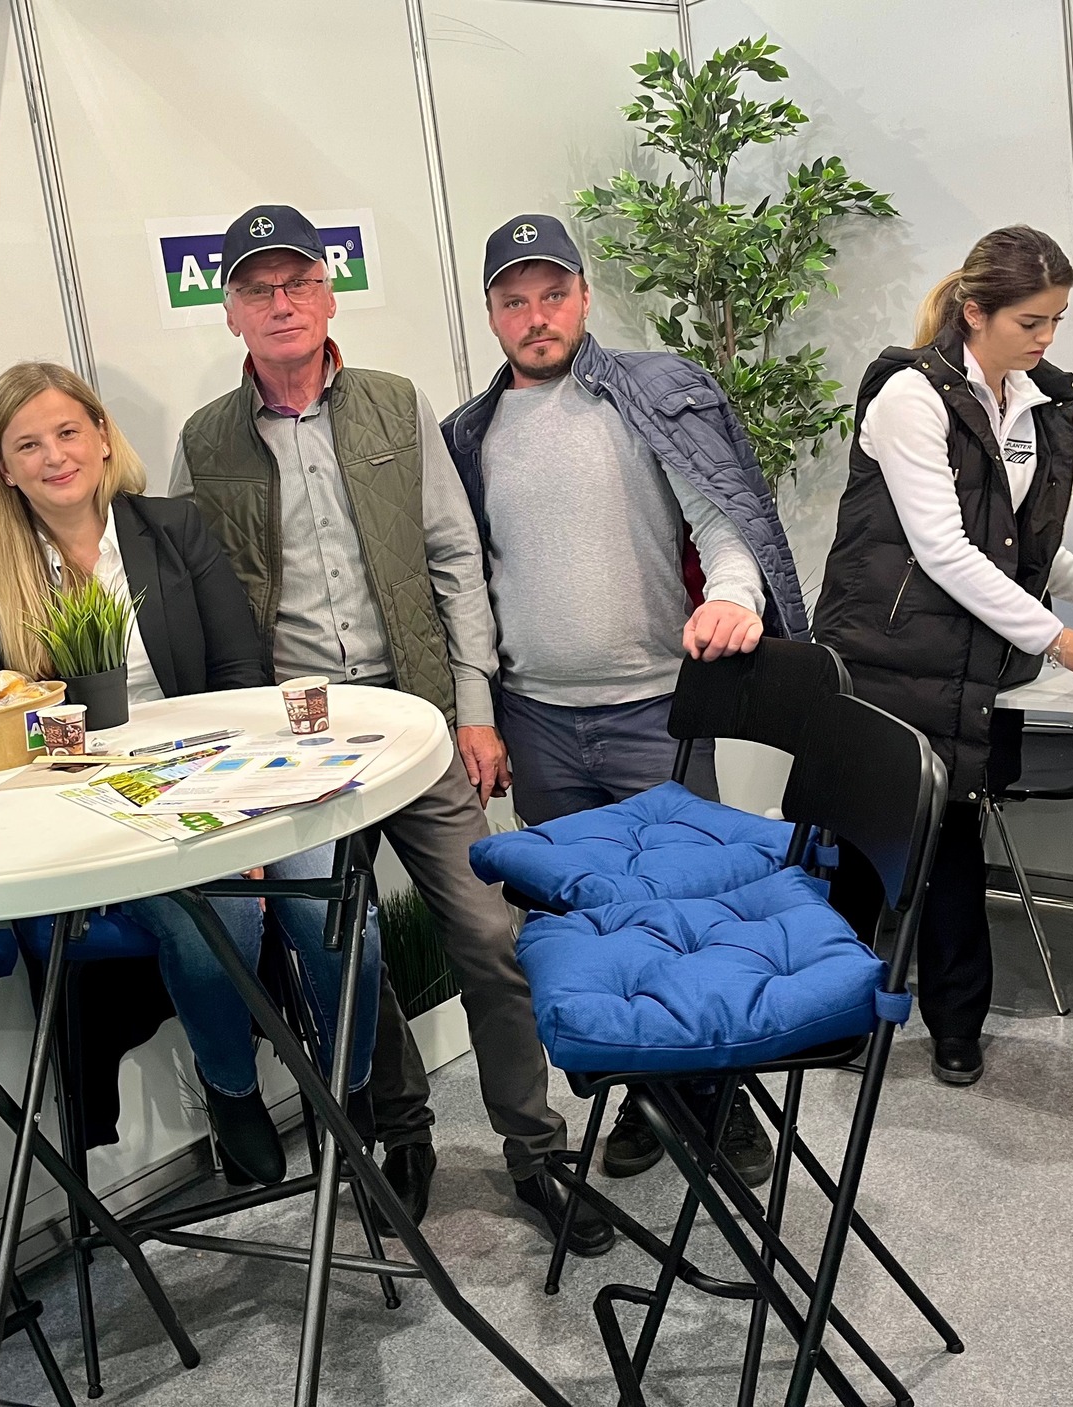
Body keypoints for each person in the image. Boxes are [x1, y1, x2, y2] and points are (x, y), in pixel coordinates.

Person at [170, 204, 611, 1255]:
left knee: (488, 933)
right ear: (230, 312)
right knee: (344, 948)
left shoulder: (393, 405)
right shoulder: (203, 441)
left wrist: (473, 709)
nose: (281, 303)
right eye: (257, 289)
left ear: (327, 296)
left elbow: (454, 560)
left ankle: (536, 1149)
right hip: (294, 743)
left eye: (297, 283)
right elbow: (193, 597)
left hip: (414, 716)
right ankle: (399, 1133)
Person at [442, 213, 811, 1185]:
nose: (536, 316)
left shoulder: (649, 396)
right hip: (537, 722)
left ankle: (725, 1107)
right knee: (590, 930)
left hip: (656, 711)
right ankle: (648, 1101)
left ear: (582, 295)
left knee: (691, 916)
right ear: (491, 314)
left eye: (552, 294)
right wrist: (477, 708)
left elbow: (722, 519)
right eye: (514, 301)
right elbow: (464, 584)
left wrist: (733, 598)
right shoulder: (467, 437)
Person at [0, 359, 381, 1187]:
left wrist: (238, 814)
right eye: (28, 444)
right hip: (107, 808)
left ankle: (349, 1083)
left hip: (233, 769)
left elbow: (239, 672)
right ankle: (231, 1090)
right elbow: (4, 729)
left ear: (102, 437)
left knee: (333, 895)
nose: (54, 456)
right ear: (3, 466)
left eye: (68, 432)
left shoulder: (174, 528)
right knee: (217, 913)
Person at [813, 226, 1073, 1087]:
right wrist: (1060, 638)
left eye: (1056, 320)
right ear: (974, 312)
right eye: (1031, 321)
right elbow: (945, 551)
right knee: (870, 846)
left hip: (966, 660)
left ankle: (955, 1027)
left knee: (953, 833)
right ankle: (831, 1014)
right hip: (884, 654)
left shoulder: (1028, 402)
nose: (1046, 338)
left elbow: (1024, 548)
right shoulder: (911, 397)